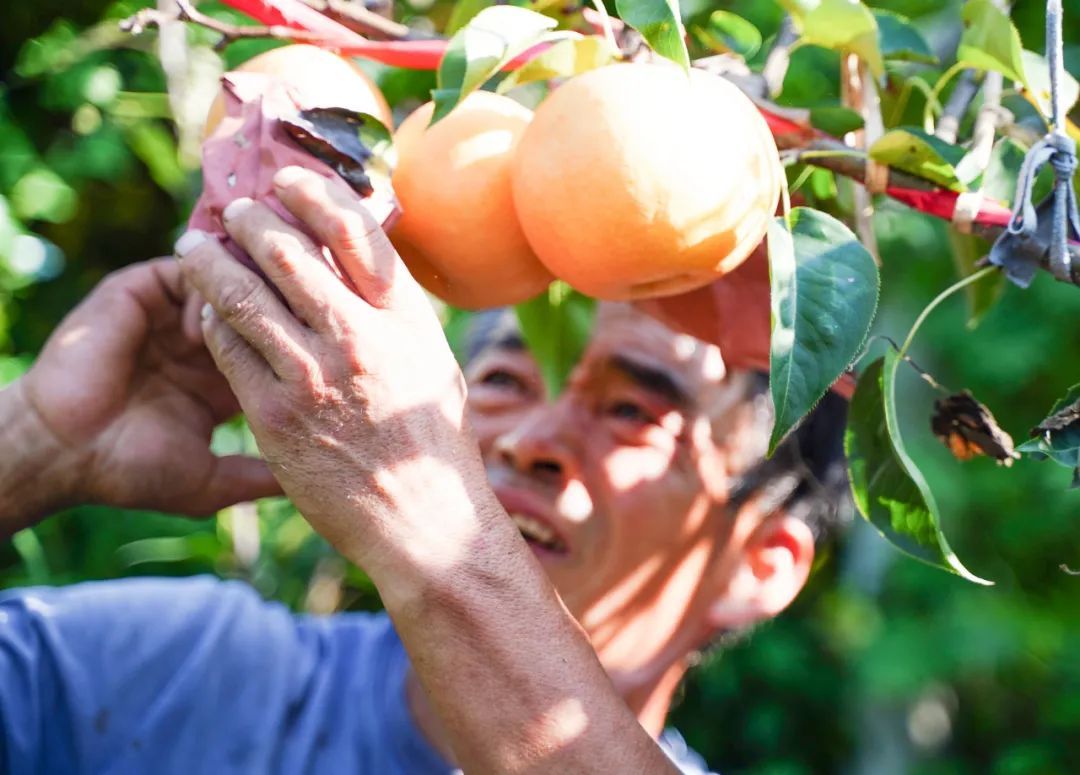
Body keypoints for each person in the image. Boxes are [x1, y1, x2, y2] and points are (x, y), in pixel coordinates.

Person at [0, 166, 848, 774]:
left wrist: (437, 529)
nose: (528, 438)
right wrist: (31, 446)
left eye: (632, 411)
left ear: (761, 563)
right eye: (507, 381)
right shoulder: (188, 674)